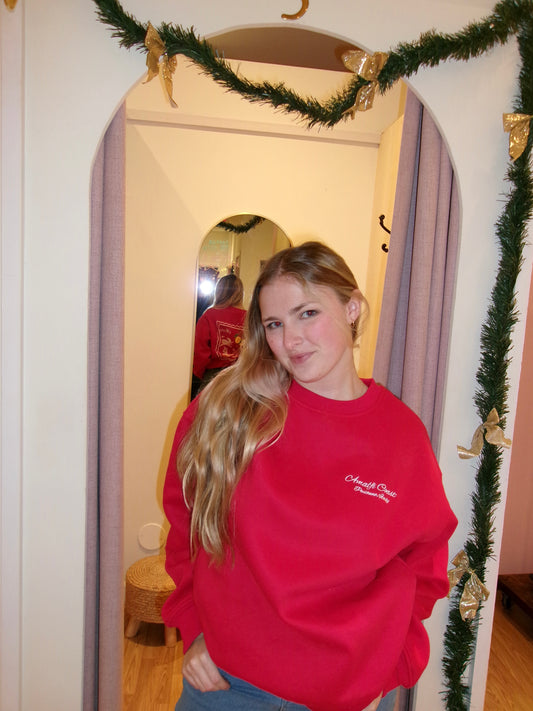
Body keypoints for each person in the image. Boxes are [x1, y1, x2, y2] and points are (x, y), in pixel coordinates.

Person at [163, 241, 457, 711]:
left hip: (349, 696)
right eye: (275, 324)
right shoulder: (229, 413)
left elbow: (425, 563)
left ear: (352, 307)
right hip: (227, 686)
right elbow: (185, 525)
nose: (291, 340)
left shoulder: (401, 436)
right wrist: (192, 623)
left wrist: (393, 665)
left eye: (307, 313)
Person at [191, 273, 246, 399]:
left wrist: (198, 373)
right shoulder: (248, 317)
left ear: (219, 291)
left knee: (206, 409)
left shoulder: (209, 315)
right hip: (239, 376)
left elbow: (200, 350)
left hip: (213, 376)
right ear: (240, 294)